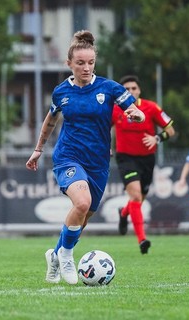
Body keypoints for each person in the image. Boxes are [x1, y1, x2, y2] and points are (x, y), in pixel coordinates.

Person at [26, 31, 145, 285]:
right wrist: (38, 148)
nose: (86, 68)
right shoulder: (61, 92)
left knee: (83, 216)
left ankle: (55, 255)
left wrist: (137, 115)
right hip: (68, 156)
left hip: (98, 162)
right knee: (81, 203)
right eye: (80, 63)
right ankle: (67, 255)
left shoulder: (108, 88)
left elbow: (132, 108)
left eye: (90, 62)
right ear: (69, 64)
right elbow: (50, 120)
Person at [111, 75, 175, 254]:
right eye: (127, 89)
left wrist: (156, 138)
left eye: (133, 88)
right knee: (137, 197)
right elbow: (103, 129)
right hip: (125, 158)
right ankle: (142, 240)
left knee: (138, 199)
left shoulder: (151, 107)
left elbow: (170, 129)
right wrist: (104, 147)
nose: (130, 91)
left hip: (147, 159)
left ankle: (123, 214)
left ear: (139, 90)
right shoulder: (115, 110)